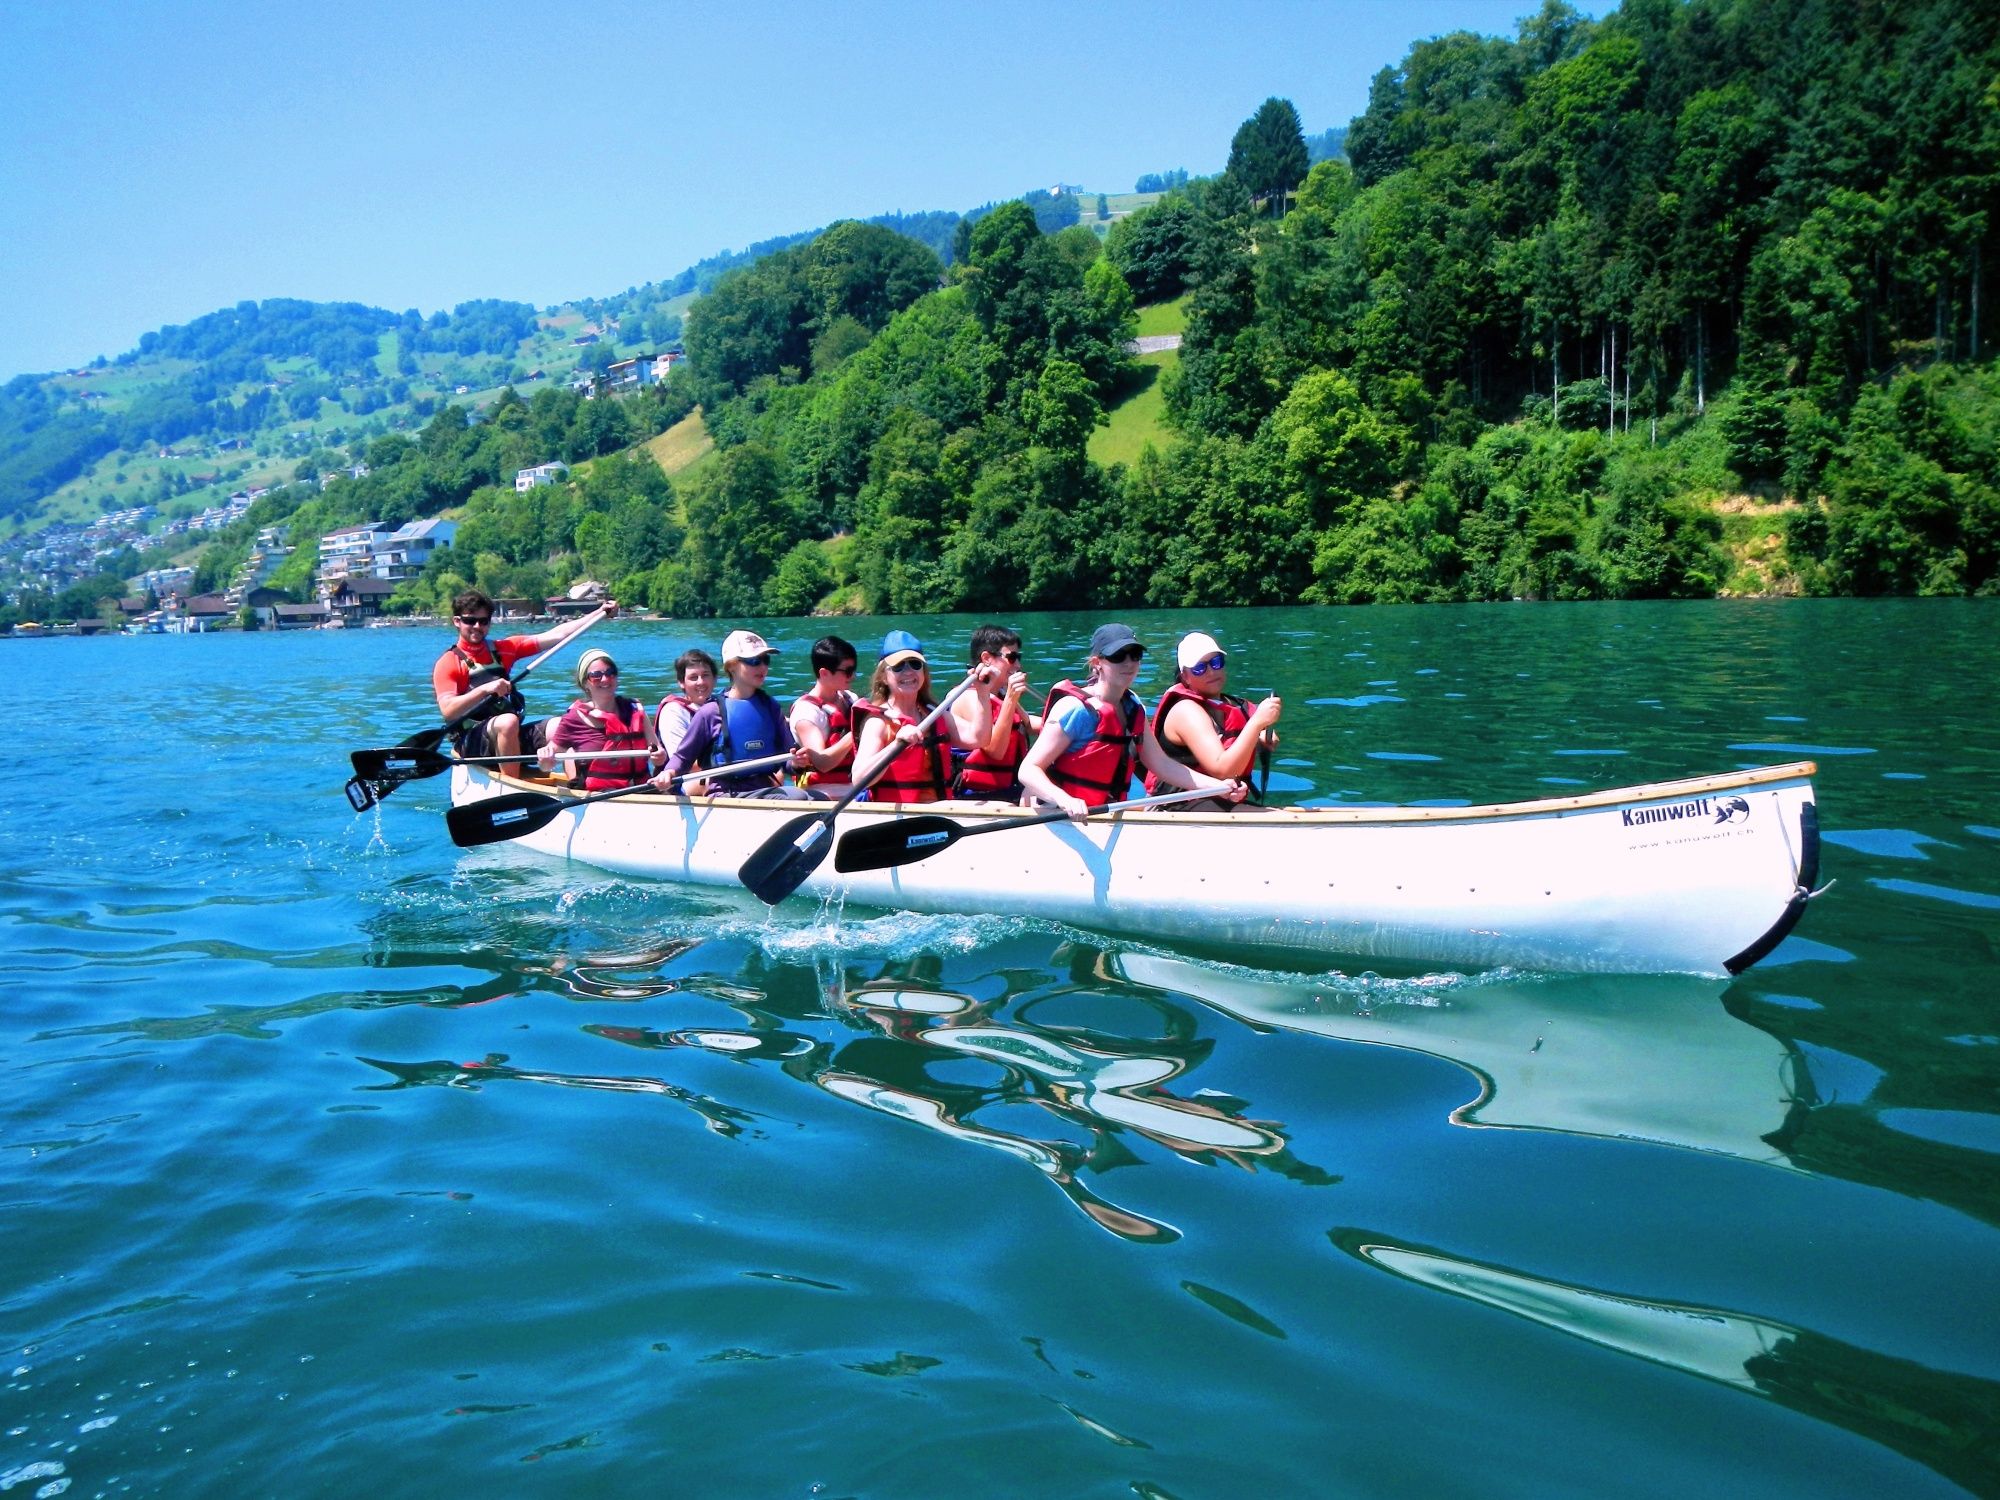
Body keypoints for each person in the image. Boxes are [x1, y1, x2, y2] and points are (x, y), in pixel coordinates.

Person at [1017, 623, 1246, 817]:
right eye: (1118, 656)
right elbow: (1028, 770)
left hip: (1099, 811)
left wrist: (1217, 787)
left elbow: (1161, 764)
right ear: (1097, 663)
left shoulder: (1132, 706)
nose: (1129, 663)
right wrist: (1065, 799)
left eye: (1135, 655)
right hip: (1056, 812)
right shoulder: (1076, 709)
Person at [431, 587, 613, 763]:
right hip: (472, 743)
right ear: (457, 621)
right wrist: (485, 689)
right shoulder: (449, 662)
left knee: (563, 725)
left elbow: (558, 634)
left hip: (509, 735)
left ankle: (584, 782)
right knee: (508, 721)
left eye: (484, 621)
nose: (477, 626)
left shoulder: (504, 650)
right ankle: (512, 782)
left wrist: (598, 613)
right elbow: (448, 710)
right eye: (470, 621)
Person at [657, 629, 815, 799]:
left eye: (765, 660)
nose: (762, 666)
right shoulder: (711, 712)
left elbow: (787, 759)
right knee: (798, 797)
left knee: (818, 797)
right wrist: (668, 773)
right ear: (732, 666)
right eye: (754, 661)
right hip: (727, 792)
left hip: (764, 786)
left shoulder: (770, 707)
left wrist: (797, 762)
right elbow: (682, 757)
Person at [1142, 630, 1282, 807]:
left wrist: (1262, 739)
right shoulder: (1186, 711)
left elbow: (1249, 736)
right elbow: (1223, 770)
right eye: (1199, 668)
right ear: (1185, 676)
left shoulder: (1234, 704)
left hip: (1220, 800)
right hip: (1174, 805)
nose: (1210, 672)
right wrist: (1256, 725)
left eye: (1216, 663)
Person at [852, 630, 986, 804]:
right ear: (884, 677)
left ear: (923, 672)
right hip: (895, 816)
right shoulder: (878, 722)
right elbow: (859, 779)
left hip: (938, 810)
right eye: (898, 666)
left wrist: (983, 693)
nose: (908, 672)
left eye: (915, 664)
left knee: (1004, 807)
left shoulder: (933, 715)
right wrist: (896, 745)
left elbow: (979, 738)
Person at [541, 647, 664, 789]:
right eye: (596, 675)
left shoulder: (635, 710)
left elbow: (659, 758)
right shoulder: (573, 719)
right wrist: (545, 757)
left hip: (640, 790)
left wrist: (659, 757)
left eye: (610, 673)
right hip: (597, 796)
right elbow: (546, 766)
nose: (605, 679)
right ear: (585, 682)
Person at [951, 624, 1041, 802]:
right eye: (1012, 657)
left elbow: (1028, 723)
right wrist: (1011, 697)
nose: (1018, 664)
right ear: (986, 658)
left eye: (1018, 657)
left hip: (1010, 789)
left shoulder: (1000, 695)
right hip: (979, 796)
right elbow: (996, 751)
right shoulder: (967, 697)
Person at [790, 635, 860, 792]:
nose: (853, 676)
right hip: (824, 793)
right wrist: (857, 731)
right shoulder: (806, 712)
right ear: (824, 673)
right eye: (847, 671)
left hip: (857, 787)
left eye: (854, 669)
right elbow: (822, 762)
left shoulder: (850, 699)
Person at [656, 648, 716, 759]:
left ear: (715, 679)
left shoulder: (722, 706)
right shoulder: (673, 712)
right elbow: (681, 761)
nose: (701, 682)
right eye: (693, 677)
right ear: (681, 682)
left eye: (705, 675)